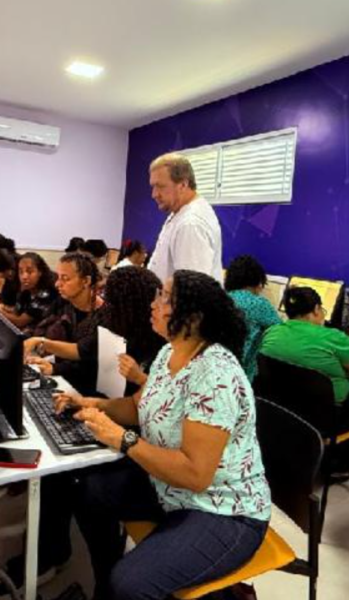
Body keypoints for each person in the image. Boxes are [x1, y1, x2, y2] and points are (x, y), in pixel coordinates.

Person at [56, 270, 271, 600]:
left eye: (166, 298)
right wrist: (91, 404)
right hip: (169, 488)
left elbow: (196, 475)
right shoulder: (169, 353)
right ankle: (105, 588)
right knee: (89, 491)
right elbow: (136, 406)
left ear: (194, 318)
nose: (154, 304)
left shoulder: (215, 375)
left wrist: (124, 439)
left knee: (130, 584)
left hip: (224, 509)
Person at [0, 267, 167, 591]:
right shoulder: (115, 329)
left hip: (138, 436)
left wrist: (135, 383)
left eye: (113, 302)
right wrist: (85, 399)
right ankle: (51, 553)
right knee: (56, 470)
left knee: (80, 483)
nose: (106, 306)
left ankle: (93, 574)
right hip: (113, 415)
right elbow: (85, 355)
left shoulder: (160, 348)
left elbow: (148, 408)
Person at [259, 285, 349, 476]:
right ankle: (335, 464)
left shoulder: (272, 332)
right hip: (322, 417)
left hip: (281, 410)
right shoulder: (333, 338)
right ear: (316, 310)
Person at [23, 253, 102, 395]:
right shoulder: (65, 303)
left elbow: (87, 359)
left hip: (87, 391)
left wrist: (52, 363)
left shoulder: (103, 316)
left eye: (65, 279)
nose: (57, 284)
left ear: (86, 281)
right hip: (65, 378)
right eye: (58, 277)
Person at [145, 153, 223, 282]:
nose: (154, 194)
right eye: (153, 187)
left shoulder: (190, 224)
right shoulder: (179, 212)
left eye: (160, 186)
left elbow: (191, 288)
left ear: (183, 185)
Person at [224, 255, 282, 381]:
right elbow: (281, 332)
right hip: (241, 373)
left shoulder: (221, 298)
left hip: (217, 366)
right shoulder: (258, 304)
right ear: (258, 282)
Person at [0, 252, 57, 332]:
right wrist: (5, 308)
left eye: (29, 272)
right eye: (21, 272)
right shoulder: (26, 289)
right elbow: (17, 311)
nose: (24, 277)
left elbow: (20, 321)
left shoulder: (46, 293)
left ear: (40, 272)